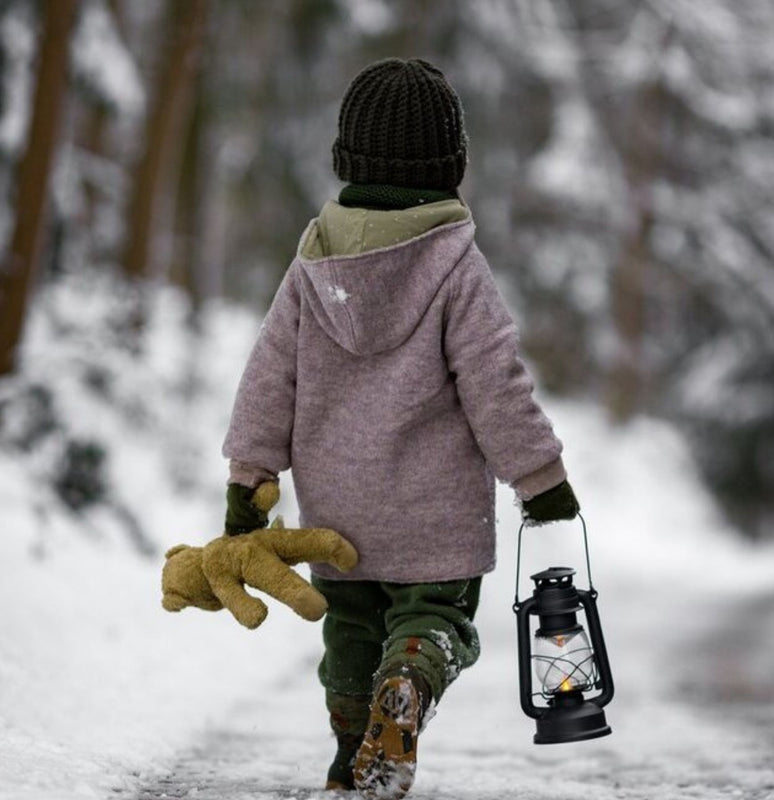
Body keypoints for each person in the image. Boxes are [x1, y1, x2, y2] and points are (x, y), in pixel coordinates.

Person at [221, 58, 580, 800]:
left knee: (350, 631)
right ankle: (410, 682)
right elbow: (495, 386)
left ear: (346, 157)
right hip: (433, 512)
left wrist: (248, 479)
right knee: (433, 619)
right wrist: (541, 482)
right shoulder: (457, 266)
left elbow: (269, 378)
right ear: (452, 166)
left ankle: (352, 756)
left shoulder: (313, 262)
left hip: (339, 511)